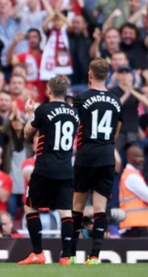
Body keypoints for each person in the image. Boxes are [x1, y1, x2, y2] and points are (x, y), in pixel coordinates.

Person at [19, 76, 80, 265]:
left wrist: (31, 114)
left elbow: (27, 134)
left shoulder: (43, 109)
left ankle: (37, 252)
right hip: (65, 168)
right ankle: (66, 257)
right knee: (65, 212)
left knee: (30, 205)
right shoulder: (74, 113)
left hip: (45, 167)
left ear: (49, 91)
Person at [71, 58, 123, 265]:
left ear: (90, 75)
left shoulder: (81, 98)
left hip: (86, 155)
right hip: (106, 155)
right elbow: (116, 132)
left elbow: (73, 126)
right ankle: (94, 257)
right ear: (108, 76)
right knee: (101, 207)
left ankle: (71, 254)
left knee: (77, 206)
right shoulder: (116, 100)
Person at [119, 145, 148, 237]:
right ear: (129, 157)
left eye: (142, 156)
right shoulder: (131, 176)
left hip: (136, 225)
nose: (141, 159)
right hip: (135, 227)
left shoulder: (133, 174)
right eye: (137, 156)